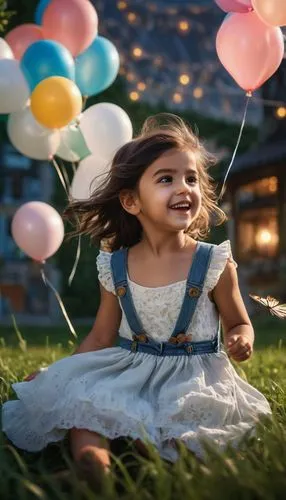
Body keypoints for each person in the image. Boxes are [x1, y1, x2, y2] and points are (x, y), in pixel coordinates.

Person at [2, 114, 271, 478]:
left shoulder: (213, 263)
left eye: (191, 178)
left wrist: (241, 337)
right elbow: (101, 335)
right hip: (133, 370)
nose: (184, 188)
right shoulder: (115, 267)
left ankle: (162, 463)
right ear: (131, 201)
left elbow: (239, 320)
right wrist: (61, 375)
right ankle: (93, 462)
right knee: (87, 406)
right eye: (166, 179)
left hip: (191, 379)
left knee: (169, 431)